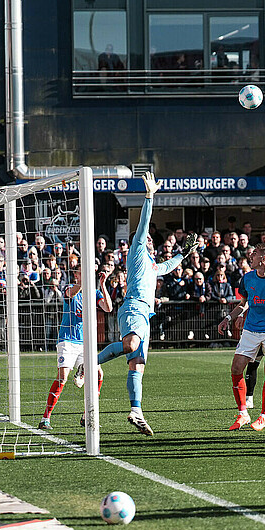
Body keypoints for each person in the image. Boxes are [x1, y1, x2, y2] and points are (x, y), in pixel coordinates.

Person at [97, 174, 199, 436]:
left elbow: (167, 267)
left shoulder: (152, 264)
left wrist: (184, 253)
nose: (151, 241)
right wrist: (149, 196)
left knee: (138, 364)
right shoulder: (138, 250)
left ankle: (136, 410)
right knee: (131, 346)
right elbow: (143, 225)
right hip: (133, 306)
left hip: (145, 313)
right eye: (149, 239)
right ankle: (90, 362)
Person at [217, 244, 265, 431]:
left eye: (255, 254)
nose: (250, 256)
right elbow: (244, 304)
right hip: (251, 330)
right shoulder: (247, 278)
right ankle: (243, 413)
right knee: (236, 368)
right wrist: (228, 318)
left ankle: (264, 415)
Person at [38, 258, 112, 430]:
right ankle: (45, 418)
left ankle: (87, 415)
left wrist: (103, 284)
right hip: (68, 341)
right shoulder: (70, 288)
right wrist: (85, 278)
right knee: (62, 377)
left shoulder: (94, 292)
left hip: (85, 342)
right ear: (77, 274)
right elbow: (70, 294)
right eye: (82, 271)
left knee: (99, 375)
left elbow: (108, 308)